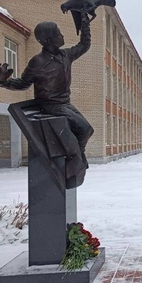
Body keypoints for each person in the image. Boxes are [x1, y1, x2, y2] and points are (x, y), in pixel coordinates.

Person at [0, 10, 93, 167]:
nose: (62, 35)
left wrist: (85, 23)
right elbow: (23, 83)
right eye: (59, 33)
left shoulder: (66, 55)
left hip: (65, 103)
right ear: (50, 40)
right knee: (83, 129)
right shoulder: (37, 62)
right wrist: (3, 82)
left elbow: (84, 44)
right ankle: (75, 159)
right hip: (49, 105)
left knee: (87, 130)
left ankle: (78, 155)